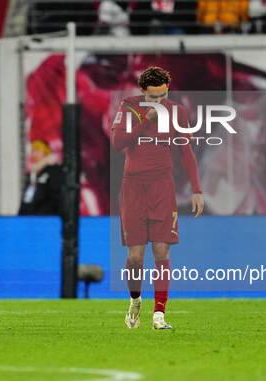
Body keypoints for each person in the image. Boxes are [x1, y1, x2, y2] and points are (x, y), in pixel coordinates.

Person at [111, 67, 204, 330]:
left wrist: (196, 189)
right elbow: (118, 143)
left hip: (162, 187)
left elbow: (186, 152)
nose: (160, 101)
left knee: (162, 251)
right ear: (142, 92)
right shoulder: (128, 108)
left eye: (163, 95)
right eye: (154, 97)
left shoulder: (177, 111)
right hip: (133, 188)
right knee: (137, 257)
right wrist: (148, 117)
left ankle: (159, 315)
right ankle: (135, 300)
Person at [19, 140, 63, 215]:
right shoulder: (32, 174)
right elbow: (27, 199)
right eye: (33, 151)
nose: (34, 154)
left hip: (46, 220)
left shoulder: (54, 170)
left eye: (38, 150)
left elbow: (57, 198)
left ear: (46, 152)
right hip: (28, 220)